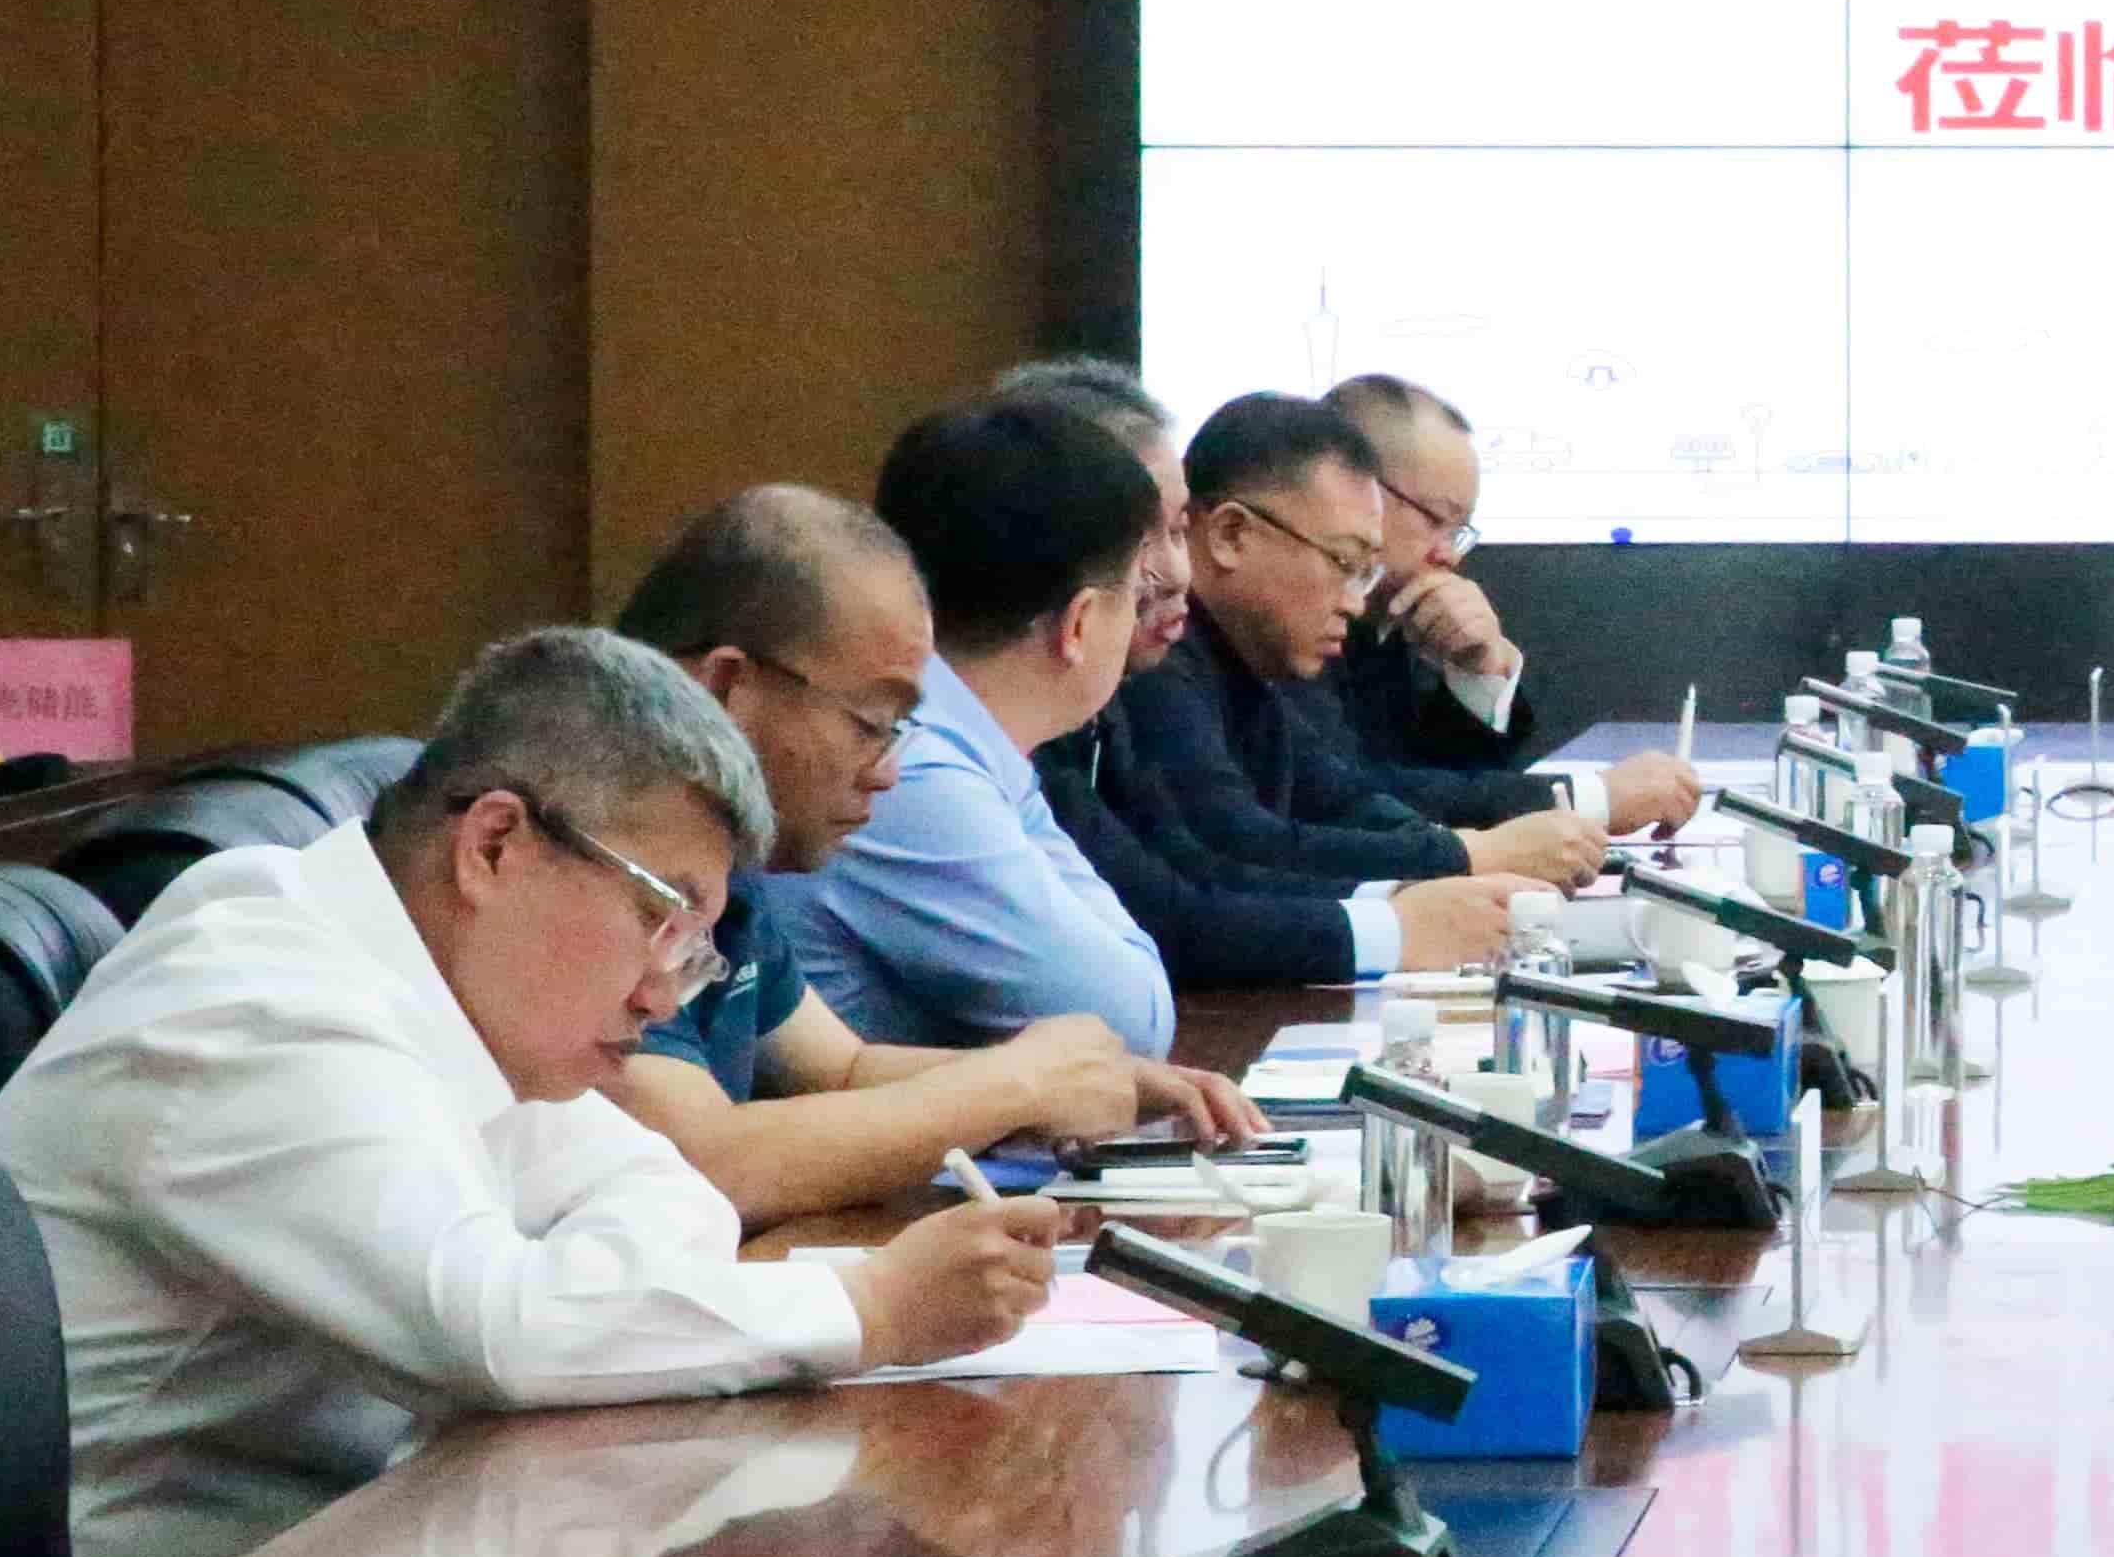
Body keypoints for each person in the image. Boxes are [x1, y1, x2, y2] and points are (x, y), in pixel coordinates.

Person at [0, 628, 1059, 1557]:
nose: (664, 994)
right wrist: (871, 1304)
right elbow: (503, 1331)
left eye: (693, 947)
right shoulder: (262, 1003)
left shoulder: (431, 990)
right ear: (494, 844)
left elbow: (662, 1188)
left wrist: (584, 1298)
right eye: (657, 917)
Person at [599, 483, 1260, 1224]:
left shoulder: (729, 864)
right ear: (728, 688)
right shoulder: (596, 849)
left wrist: (1087, 1080)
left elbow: (841, 1069)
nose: (888, 772)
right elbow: (703, 1164)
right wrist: (1017, 1085)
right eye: (871, 723)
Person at [1004, 368, 1533, 988]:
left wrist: (1434, 885)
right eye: (1158, 537)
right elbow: (1181, 905)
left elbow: (1215, 859)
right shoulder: (1131, 686)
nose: (1177, 572)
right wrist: (1416, 909)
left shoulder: (1163, 684)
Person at [767, 394, 1184, 1058]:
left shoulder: (968, 742)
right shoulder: (910, 770)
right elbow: (1130, 1024)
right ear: (1078, 624)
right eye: (1135, 596)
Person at [1325, 370, 1556, 786]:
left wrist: (1478, 671)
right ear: (1357, 489)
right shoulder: (1285, 628)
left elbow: (1441, 793)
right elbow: (1357, 801)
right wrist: (1594, 797)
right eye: (1436, 518)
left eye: (1459, 530)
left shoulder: (1383, 629)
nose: (1449, 555)